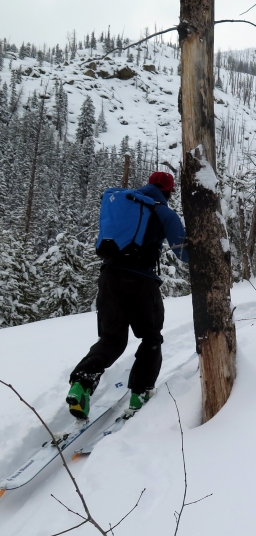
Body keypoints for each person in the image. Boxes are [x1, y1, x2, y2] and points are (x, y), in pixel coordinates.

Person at [66, 172, 189, 419]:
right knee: (150, 336)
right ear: (168, 191)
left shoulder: (125, 204)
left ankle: (81, 383)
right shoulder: (163, 211)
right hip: (141, 281)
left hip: (109, 277)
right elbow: (184, 253)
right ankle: (140, 393)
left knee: (112, 339)